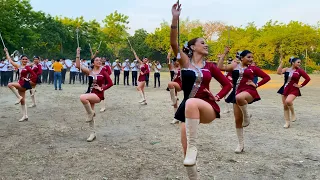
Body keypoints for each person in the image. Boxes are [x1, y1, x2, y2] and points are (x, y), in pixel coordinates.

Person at [170, 3, 233, 179]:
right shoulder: (184, 63)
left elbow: (228, 85)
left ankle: (194, 146)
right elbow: (174, 43)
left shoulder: (211, 67)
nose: (206, 45)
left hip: (207, 107)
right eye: (202, 43)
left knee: (190, 104)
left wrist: (218, 96)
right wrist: (175, 18)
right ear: (192, 47)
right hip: (187, 110)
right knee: (186, 153)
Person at [218, 49, 271, 154]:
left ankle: (247, 115)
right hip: (236, 92)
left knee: (240, 98)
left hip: (249, 91)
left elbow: (267, 77)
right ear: (241, 58)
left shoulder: (253, 68)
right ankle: (240, 144)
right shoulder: (234, 66)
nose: (251, 59)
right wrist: (223, 55)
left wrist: (256, 85)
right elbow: (220, 67)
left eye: (252, 57)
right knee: (238, 119)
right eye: (248, 57)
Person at [75, 47, 113, 142]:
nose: (99, 61)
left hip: (98, 95)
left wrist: (102, 88)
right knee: (89, 114)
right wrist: (78, 53)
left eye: (100, 60)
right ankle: (92, 133)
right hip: (90, 92)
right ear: (93, 63)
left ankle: (91, 113)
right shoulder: (89, 72)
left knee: (82, 97)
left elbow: (110, 83)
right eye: (97, 60)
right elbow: (78, 66)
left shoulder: (103, 71)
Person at [277, 57, 310, 128]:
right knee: (285, 106)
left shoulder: (300, 71)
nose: (299, 64)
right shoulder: (286, 69)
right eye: (298, 62)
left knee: (288, 101)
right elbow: (279, 72)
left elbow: (308, 78)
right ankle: (287, 122)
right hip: (285, 88)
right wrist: (281, 64)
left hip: (294, 89)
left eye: (300, 62)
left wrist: (300, 85)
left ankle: (293, 113)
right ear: (293, 63)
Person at [4, 48, 37, 122]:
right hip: (20, 84)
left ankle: (19, 97)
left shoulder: (28, 67)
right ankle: (25, 116)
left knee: (10, 84)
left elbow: (34, 75)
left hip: (23, 85)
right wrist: (6, 52)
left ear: (27, 60)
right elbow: (10, 60)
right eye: (23, 59)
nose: (25, 60)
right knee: (23, 101)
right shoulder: (18, 66)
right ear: (20, 60)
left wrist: (28, 79)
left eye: (26, 59)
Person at [168, 58, 182, 124]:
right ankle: (176, 117)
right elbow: (168, 59)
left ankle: (174, 99)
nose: (177, 62)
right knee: (175, 103)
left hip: (180, 84)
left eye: (178, 60)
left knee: (169, 83)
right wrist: (170, 51)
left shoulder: (182, 67)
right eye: (176, 61)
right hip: (173, 86)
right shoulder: (172, 67)